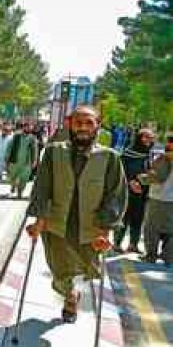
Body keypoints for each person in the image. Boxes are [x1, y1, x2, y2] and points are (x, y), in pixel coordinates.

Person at [27, 106, 128, 323]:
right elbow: (42, 188)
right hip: (56, 224)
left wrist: (105, 231)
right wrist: (38, 221)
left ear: (97, 126)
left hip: (91, 227)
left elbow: (115, 196)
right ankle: (70, 294)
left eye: (88, 123)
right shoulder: (53, 152)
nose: (83, 127)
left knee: (86, 269)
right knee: (59, 270)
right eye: (78, 123)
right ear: (70, 125)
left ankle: (73, 294)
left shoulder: (110, 157)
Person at [114, 129, 154, 255]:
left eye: (151, 138)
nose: (148, 140)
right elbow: (120, 171)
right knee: (124, 218)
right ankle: (116, 243)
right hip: (127, 191)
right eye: (145, 137)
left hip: (142, 192)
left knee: (138, 218)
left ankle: (133, 244)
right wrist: (130, 181)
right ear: (139, 138)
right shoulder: (127, 154)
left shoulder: (148, 155)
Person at [141, 135, 173, 266]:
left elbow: (158, 177)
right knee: (171, 230)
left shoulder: (163, 158)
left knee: (151, 229)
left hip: (159, 197)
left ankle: (151, 256)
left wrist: (142, 178)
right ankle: (169, 256)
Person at [6, 122, 39, 199]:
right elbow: (10, 146)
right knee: (12, 176)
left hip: (27, 162)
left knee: (24, 178)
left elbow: (35, 150)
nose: (28, 128)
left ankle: (20, 192)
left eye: (29, 127)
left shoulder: (33, 138)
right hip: (15, 161)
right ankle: (13, 185)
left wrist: (35, 160)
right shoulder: (16, 136)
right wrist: (7, 157)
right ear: (23, 127)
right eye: (26, 126)